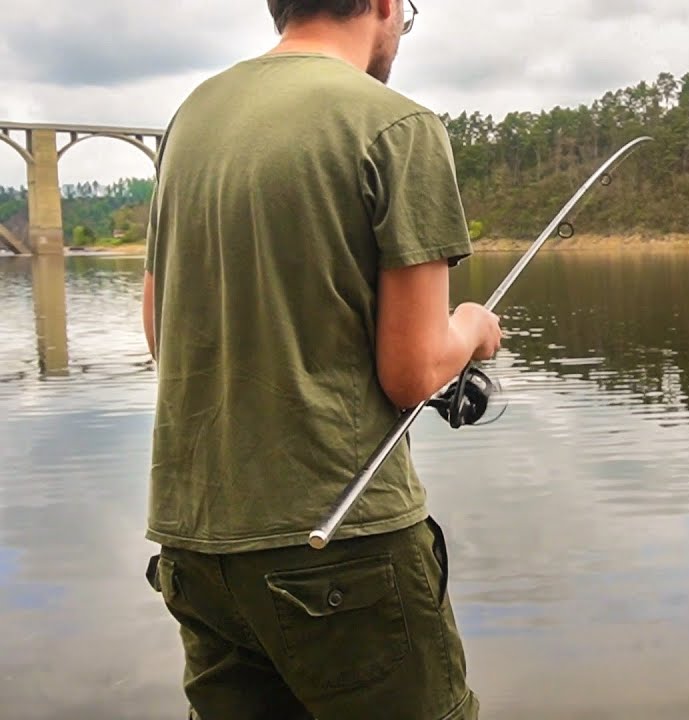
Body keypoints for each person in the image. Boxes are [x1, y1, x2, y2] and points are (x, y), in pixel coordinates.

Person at [139, 0, 501, 718]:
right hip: (342, 550)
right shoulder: (397, 125)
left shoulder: (192, 118)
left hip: (197, 551)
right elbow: (414, 371)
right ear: (382, 5)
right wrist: (473, 327)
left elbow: (159, 331)